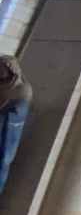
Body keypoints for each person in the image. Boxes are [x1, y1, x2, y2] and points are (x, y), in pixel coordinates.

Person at [0, 54, 33, 197]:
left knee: (3, 160)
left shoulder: (22, 89)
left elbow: (20, 110)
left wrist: (5, 109)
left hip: (7, 129)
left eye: (2, 68)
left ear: (10, 68)